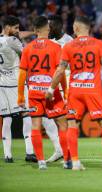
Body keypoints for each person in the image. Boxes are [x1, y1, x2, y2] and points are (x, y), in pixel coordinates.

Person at [46, 16, 102, 170]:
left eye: (73, 26)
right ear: (89, 28)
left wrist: (51, 89)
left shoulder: (68, 46)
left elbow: (60, 70)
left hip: (75, 91)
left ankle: (75, 162)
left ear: (77, 28)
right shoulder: (98, 44)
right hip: (94, 90)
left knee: (72, 124)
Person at [18, 16, 69, 170]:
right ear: (47, 29)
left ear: (34, 30)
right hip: (51, 92)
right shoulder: (55, 47)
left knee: (35, 126)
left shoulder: (27, 48)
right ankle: (67, 160)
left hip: (34, 92)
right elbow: (59, 72)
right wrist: (65, 91)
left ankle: (41, 162)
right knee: (63, 124)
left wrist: (20, 95)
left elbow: (22, 74)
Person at [0, 15, 36, 163]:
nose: (17, 31)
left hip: (1, 85)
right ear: (7, 27)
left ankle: (7, 155)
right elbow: (28, 54)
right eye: (15, 28)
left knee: (6, 119)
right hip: (17, 84)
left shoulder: (2, 38)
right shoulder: (13, 40)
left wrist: (32, 32)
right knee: (26, 116)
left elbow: (18, 35)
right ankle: (29, 152)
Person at [42, 15, 73, 163]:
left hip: (66, 86)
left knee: (66, 121)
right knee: (51, 119)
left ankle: (69, 153)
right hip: (53, 85)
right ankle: (60, 150)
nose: (48, 30)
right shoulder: (48, 41)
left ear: (59, 26)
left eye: (51, 27)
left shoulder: (69, 42)